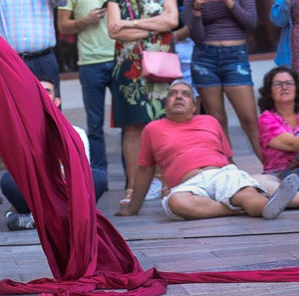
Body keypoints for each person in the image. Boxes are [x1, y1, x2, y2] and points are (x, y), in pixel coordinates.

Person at [117, 80, 299, 221]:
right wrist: (133, 208)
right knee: (176, 203)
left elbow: (229, 159)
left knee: (246, 194)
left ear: (194, 106)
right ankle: (247, 206)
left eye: (185, 94)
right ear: (165, 105)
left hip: (221, 173)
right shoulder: (153, 128)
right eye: (173, 94)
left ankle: (263, 207)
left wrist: (240, 179)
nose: (179, 96)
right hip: (188, 185)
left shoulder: (209, 121)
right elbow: (145, 170)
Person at [106, 0, 179, 206]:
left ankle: (165, 183)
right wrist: (153, 28)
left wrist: (133, 23)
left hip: (161, 69)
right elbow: (115, 31)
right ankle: (133, 186)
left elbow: (171, 21)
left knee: (161, 125)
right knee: (133, 128)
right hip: (128, 71)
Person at [183, 0, 261, 159]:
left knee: (249, 120)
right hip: (205, 58)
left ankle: (275, 171)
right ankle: (230, 174)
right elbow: (196, 36)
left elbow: (251, 22)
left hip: (235, 57)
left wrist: (227, 0)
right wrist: (197, 9)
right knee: (217, 121)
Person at [58, 0, 125, 180]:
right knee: (95, 126)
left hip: (120, 59)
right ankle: (100, 178)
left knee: (127, 124)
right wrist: (84, 21)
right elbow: (63, 26)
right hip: (90, 63)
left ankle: (133, 180)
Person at [0, 78, 108, 230]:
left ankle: (37, 220)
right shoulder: (21, 134)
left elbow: (82, 171)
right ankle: (64, 219)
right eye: (38, 92)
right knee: (8, 180)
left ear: (57, 101)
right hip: (38, 192)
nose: (42, 95)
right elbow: (23, 171)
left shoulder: (76, 132)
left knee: (98, 177)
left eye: (47, 91)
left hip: (66, 190)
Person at [258, 66, 299, 180]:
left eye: (289, 83)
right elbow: (291, 144)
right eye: (278, 84)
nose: (284, 87)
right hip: (279, 174)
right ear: (269, 91)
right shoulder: (266, 119)